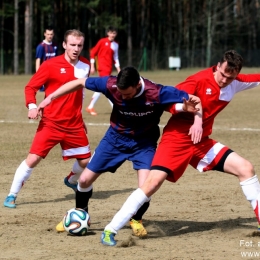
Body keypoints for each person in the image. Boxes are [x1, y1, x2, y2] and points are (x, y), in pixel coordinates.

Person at [100, 50, 260, 246]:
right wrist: (190, 114)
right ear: (218, 66)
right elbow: (169, 102)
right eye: (222, 74)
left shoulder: (236, 82)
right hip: (176, 139)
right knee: (152, 184)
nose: (225, 80)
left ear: (236, 74)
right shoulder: (198, 80)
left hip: (201, 141)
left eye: (230, 77)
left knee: (246, 168)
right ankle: (110, 230)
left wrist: (199, 125)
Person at [37, 66, 202, 236]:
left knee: (146, 187)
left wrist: (197, 121)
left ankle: (136, 219)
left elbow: (195, 100)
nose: (123, 98)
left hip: (144, 143)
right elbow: (79, 82)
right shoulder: (111, 84)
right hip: (115, 139)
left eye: (128, 95)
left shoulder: (157, 92)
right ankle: (80, 214)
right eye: (121, 94)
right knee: (85, 180)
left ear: (138, 85)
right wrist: (50, 97)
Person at [3, 29, 91, 209]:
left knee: (85, 162)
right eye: (72, 45)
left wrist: (81, 119)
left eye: (79, 45)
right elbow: (30, 87)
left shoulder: (85, 65)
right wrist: (32, 106)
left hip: (74, 124)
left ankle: (71, 179)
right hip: (51, 122)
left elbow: (80, 95)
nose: (76, 49)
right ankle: (11, 195)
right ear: (64, 45)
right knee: (33, 159)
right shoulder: (50, 65)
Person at [86, 26, 121, 116]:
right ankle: (91, 106)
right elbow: (93, 53)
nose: (112, 35)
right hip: (102, 68)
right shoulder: (102, 41)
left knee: (105, 88)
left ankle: (114, 108)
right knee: (105, 87)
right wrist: (92, 66)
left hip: (109, 68)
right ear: (108, 33)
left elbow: (115, 58)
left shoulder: (116, 45)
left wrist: (118, 69)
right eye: (111, 32)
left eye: (114, 33)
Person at [35, 25, 58, 92]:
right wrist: (38, 75)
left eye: (51, 34)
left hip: (54, 73)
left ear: (53, 34)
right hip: (45, 74)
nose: (49, 36)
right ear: (44, 34)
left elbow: (57, 59)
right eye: (48, 34)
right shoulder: (41, 46)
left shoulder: (55, 46)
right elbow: (38, 61)